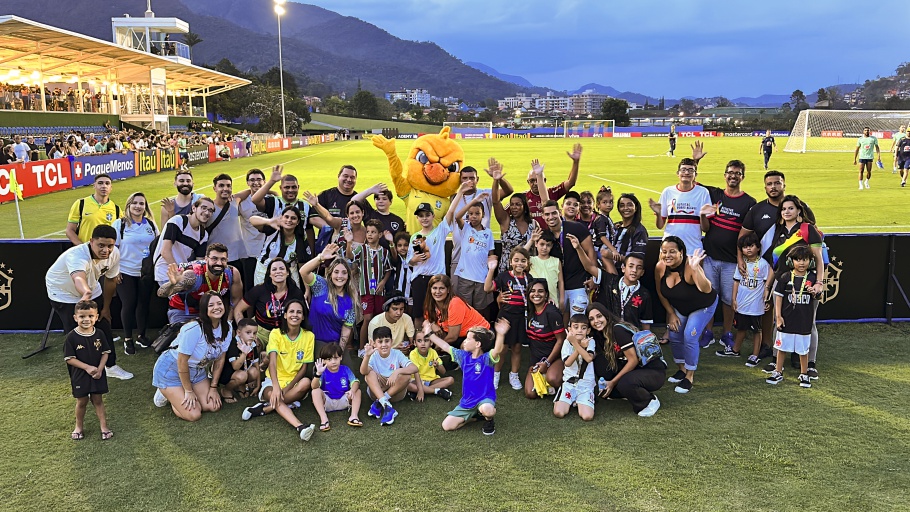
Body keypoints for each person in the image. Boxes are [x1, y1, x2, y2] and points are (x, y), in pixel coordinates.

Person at [739, 170, 815, 363]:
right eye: (769, 184)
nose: (773, 187)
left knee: (798, 310)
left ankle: (800, 354)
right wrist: (741, 258)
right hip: (769, 269)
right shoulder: (757, 210)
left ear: (784, 185)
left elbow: (813, 235)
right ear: (764, 187)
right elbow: (743, 236)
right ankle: (769, 347)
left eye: (777, 183)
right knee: (769, 310)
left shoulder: (799, 207)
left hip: (799, 271)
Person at [46, 225, 132, 381]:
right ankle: (81, 374)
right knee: (78, 335)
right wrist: (85, 292)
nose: (106, 250)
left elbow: (111, 281)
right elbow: (78, 278)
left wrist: (105, 308)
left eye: (110, 246)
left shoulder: (115, 254)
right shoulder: (77, 255)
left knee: (104, 327)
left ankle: (110, 366)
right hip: (64, 294)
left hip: (92, 289)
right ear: (91, 241)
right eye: (101, 245)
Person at [240, 299, 317, 441]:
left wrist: (286, 389)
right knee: (275, 395)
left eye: (299, 312)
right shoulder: (275, 333)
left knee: (306, 382)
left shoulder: (309, 336)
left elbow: (303, 368)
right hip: (272, 381)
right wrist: (276, 387)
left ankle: (264, 408)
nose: (295, 315)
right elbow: (273, 364)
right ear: (285, 315)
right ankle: (300, 426)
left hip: (292, 384)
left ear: (303, 316)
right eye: (291, 311)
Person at [767, 195, 826, 379]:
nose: (787, 212)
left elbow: (819, 260)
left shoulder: (808, 229)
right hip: (783, 281)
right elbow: (774, 263)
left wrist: (819, 283)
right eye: (784, 209)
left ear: (799, 210)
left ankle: (810, 363)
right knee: (779, 320)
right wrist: (768, 286)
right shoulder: (779, 230)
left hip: (807, 283)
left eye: (790, 208)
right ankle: (777, 361)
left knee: (809, 322)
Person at [700, 159, 756, 350]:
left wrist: (742, 258)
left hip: (731, 261)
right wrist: (697, 161)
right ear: (725, 175)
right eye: (730, 172)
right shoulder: (714, 194)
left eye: (737, 173)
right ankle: (707, 332)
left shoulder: (749, 202)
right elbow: (691, 181)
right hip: (710, 257)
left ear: (742, 177)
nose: (733, 176)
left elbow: (748, 234)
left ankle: (726, 333)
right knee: (709, 297)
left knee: (727, 300)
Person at [151, 292, 232, 422]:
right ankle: (167, 392)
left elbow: (220, 359)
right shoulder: (194, 328)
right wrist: (188, 391)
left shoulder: (227, 327)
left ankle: (178, 392)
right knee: (194, 414)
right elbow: (182, 361)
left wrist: (213, 387)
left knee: (213, 406)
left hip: (196, 370)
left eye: (219, 303)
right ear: (204, 310)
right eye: (211, 305)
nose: (216, 307)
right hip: (172, 369)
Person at [423, 318, 508, 435]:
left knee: (488, 410)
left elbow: (498, 349)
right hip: (467, 402)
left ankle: (489, 420)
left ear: (478, 344)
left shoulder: (487, 359)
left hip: (484, 399)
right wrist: (429, 334)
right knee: (447, 426)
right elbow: (444, 346)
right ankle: (475, 417)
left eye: (468, 339)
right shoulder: (463, 356)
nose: (464, 342)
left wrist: (501, 334)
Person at [654, 236, 718, 394]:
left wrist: (697, 270)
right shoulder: (660, 267)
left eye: (672, 251)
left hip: (703, 305)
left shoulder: (690, 265)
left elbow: (706, 289)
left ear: (681, 252)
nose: (667, 255)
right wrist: (671, 314)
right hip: (681, 308)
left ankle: (689, 376)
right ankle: (682, 369)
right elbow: (660, 292)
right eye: (664, 252)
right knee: (675, 335)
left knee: (690, 335)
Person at [586, 303, 666, 417]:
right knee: (600, 362)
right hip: (637, 369)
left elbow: (633, 360)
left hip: (653, 371)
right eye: (591, 319)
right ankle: (621, 393)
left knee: (625, 383)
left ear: (606, 316)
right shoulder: (602, 334)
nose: (596, 321)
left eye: (599, 316)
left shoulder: (617, 329)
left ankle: (649, 400)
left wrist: (613, 382)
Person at [766, 245, 821, 389]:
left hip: (804, 321)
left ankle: (804, 373)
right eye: (798, 260)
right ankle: (778, 371)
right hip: (787, 319)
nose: (801, 263)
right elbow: (778, 296)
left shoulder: (813, 278)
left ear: (810, 261)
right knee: (782, 347)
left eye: (805, 260)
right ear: (792, 261)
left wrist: (814, 291)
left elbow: (819, 296)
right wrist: (778, 316)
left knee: (803, 350)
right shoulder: (785, 277)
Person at [112, 192, 159, 353]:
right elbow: (113, 249)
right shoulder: (120, 224)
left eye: (141, 203)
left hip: (146, 273)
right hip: (125, 271)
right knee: (129, 303)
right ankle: (127, 339)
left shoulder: (151, 225)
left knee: (143, 305)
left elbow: (157, 247)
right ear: (128, 205)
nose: (138, 206)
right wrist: (115, 270)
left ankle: (141, 335)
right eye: (135, 203)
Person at [448, 163, 513, 274]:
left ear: (477, 179)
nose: (468, 181)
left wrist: (498, 179)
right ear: (460, 180)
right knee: (457, 290)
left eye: (472, 178)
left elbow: (508, 191)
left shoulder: (485, 194)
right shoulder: (454, 197)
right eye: (465, 178)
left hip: (480, 255)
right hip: (459, 255)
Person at [300, 243, 358, 367]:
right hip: (315, 341)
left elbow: (346, 330)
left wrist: (338, 352)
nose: (340, 276)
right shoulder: (321, 285)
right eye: (336, 272)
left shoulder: (351, 300)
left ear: (348, 276)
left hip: (335, 344)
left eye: (344, 273)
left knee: (349, 374)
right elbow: (303, 271)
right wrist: (321, 257)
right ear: (330, 274)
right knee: (318, 376)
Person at [717, 233, 771, 364]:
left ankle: (755, 355)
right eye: (745, 247)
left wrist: (766, 299)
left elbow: (766, 284)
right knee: (741, 328)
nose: (748, 249)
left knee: (756, 331)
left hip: (756, 306)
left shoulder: (763, 264)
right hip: (742, 304)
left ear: (758, 248)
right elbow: (736, 282)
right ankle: (735, 350)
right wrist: (734, 299)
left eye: (751, 246)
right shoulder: (741, 265)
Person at [157, 243, 243, 324]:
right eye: (214, 259)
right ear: (206, 259)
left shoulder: (232, 273)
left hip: (212, 311)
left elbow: (235, 299)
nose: (219, 263)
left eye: (223, 259)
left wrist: (228, 322)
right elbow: (161, 293)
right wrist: (173, 284)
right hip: (185, 312)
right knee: (188, 337)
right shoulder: (192, 275)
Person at [484, 248, 531, 390]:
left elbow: (536, 295)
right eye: (516, 260)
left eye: (523, 261)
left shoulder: (530, 278)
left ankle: (514, 375)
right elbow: (487, 288)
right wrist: (491, 270)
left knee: (517, 348)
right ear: (510, 262)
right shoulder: (504, 276)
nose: (519, 263)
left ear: (528, 263)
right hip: (505, 317)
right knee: (502, 348)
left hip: (521, 317)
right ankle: (496, 374)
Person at [64, 300, 112, 441]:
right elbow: (69, 358)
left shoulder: (100, 334)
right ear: (75, 318)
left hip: (98, 374)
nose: (86, 320)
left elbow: (105, 352)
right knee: (82, 401)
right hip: (80, 376)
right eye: (82, 316)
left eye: (90, 316)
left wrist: (100, 369)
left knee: (98, 400)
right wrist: (87, 367)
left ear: (96, 317)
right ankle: (78, 427)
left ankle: (104, 427)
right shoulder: (71, 337)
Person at [541, 200, 595, 320]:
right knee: (560, 325)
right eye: (547, 214)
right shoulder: (545, 236)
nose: (551, 217)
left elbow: (590, 251)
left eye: (554, 213)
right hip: (556, 289)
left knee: (578, 323)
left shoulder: (577, 228)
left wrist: (593, 277)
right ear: (543, 216)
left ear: (559, 212)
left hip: (578, 285)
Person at [406, 200, 456, 328]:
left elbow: (450, 212)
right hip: (419, 279)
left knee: (438, 313)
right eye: (421, 216)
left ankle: (437, 343)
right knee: (418, 313)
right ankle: (418, 341)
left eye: (427, 215)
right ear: (417, 218)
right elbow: (409, 261)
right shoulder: (415, 237)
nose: (424, 218)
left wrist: (460, 192)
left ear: (433, 216)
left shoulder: (440, 231)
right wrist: (415, 259)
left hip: (436, 279)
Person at [233, 258, 305, 346]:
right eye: (274, 269)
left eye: (282, 269)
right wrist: (245, 330)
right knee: (251, 348)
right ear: (270, 274)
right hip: (260, 333)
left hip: (285, 333)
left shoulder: (296, 293)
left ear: (287, 273)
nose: (278, 271)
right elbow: (238, 310)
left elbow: (303, 316)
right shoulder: (259, 290)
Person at [346, 219, 391, 353]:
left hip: (379, 291)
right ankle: (361, 349)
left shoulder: (384, 252)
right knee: (367, 318)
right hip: (365, 290)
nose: (370, 235)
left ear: (380, 235)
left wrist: (383, 282)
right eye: (368, 232)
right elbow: (350, 256)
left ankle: (377, 348)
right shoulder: (362, 249)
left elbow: (388, 269)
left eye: (373, 232)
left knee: (378, 318)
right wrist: (349, 242)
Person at [648, 158, 711, 255]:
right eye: (683, 170)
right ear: (678, 173)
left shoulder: (702, 192)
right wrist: (658, 213)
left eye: (691, 170)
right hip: (669, 248)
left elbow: (705, 229)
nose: (686, 173)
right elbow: (660, 225)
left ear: (695, 175)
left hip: (693, 248)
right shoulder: (668, 192)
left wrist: (702, 215)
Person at [360, 326, 419, 426]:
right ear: (374, 343)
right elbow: (363, 371)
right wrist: (367, 356)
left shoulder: (397, 353)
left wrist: (397, 372)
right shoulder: (373, 355)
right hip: (377, 392)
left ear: (391, 341)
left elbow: (415, 368)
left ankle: (381, 402)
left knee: (406, 375)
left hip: (395, 393)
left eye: (387, 341)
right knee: (368, 374)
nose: (384, 345)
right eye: (380, 341)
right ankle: (385, 404)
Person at [451, 185, 495, 318]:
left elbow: (491, 254)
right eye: (470, 214)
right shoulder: (466, 228)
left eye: (477, 213)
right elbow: (457, 216)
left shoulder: (488, 233)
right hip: (465, 277)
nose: (473, 216)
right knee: (465, 308)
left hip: (482, 278)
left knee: (480, 309)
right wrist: (472, 201)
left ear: (483, 215)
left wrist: (490, 274)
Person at [152, 197, 213, 286]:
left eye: (210, 210)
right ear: (194, 208)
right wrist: (178, 273)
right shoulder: (177, 221)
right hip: (166, 272)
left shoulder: (203, 235)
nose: (207, 212)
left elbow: (199, 262)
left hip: (182, 274)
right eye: (203, 208)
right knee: (177, 299)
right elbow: (165, 252)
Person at [251, 166, 314, 250]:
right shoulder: (274, 202)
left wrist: (312, 253)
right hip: (274, 252)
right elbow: (255, 199)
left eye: (294, 187)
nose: (290, 190)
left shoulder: (305, 205)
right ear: (280, 188)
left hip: (298, 252)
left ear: (298, 187)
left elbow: (309, 230)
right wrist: (272, 181)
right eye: (287, 187)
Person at [248, 205, 312, 287]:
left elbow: (302, 263)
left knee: (293, 297)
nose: (289, 220)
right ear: (281, 218)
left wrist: (307, 289)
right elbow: (252, 220)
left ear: (298, 222)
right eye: (286, 217)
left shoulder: (300, 236)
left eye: (293, 218)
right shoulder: (274, 228)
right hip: (265, 268)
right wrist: (269, 221)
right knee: (264, 297)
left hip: (289, 271)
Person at [523, 278, 566, 399]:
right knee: (530, 394)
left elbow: (561, 340)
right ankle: (545, 381)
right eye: (533, 291)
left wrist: (547, 362)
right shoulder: (529, 311)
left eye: (540, 291)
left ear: (546, 294)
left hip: (554, 358)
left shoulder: (552, 312)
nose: (536, 294)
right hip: (536, 360)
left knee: (553, 379)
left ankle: (564, 382)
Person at [424, 275, 491, 351]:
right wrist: (433, 325)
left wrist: (435, 350)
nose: (437, 292)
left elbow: (453, 337)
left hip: (481, 334)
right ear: (430, 290)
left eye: (441, 288)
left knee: (466, 346)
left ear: (448, 290)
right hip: (460, 336)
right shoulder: (431, 303)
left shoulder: (455, 303)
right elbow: (426, 321)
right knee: (426, 329)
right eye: (434, 288)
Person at [522, 145, 581, 227]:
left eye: (538, 180)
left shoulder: (552, 192)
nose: (535, 183)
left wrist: (576, 162)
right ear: (528, 182)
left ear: (544, 181)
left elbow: (571, 182)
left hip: (551, 235)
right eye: (532, 181)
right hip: (533, 237)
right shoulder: (523, 197)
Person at [491, 159, 533, 274]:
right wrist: (496, 180)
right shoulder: (506, 221)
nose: (514, 207)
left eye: (518, 204)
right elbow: (495, 201)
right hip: (507, 272)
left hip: (528, 271)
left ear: (524, 206)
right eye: (512, 204)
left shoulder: (533, 224)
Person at [553, 314, 596, 421]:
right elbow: (567, 363)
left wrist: (577, 345)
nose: (579, 330)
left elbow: (589, 358)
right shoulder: (567, 343)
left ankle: (580, 401)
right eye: (575, 327)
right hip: (569, 384)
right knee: (559, 412)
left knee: (587, 416)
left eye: (583, 328)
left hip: (585, 385)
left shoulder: (590, 341)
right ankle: (571, 400)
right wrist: (577, 345)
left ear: (588, 330)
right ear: (570, 329)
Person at [311, 343, 363, 430]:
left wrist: (352, 391)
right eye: (329, 359)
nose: (333, 362)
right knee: (315, 391)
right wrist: (318, 374)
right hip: (327, 402)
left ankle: (354, 416)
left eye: (336, 358)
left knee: (357, 391)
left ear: (341, 357)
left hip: (344, 400)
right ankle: (324, 419)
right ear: (324, 361)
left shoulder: (345, 369)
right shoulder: (323, 372)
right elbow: (314, 386)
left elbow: (355, 382)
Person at [207, 174, 247, 277]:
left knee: (238, 289)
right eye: (221, 186)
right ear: (214, 188)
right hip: (216, 259)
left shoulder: (234, 201)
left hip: (236, 257)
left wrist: (270, 191)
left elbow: (249, 191)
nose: (225, 189)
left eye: (228, 186)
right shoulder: (208, 207)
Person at [236, 169, 268, 290]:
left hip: (269, 251)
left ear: (264, 181)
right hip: (250, 253)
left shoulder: (272, 199)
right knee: (250, 287)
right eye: (252, 180)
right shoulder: (242, 202)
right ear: (247, 183)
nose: (256, 183)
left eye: (259, 179)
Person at [66, 174, 120, 245]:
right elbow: (69, 230)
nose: (104, 186)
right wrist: (82, 247)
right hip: (84, 252)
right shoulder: (81, 203)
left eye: (107, 183)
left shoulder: (116, 209)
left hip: (106, 252)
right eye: (100, 183)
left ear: (111, 187)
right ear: (94, 186)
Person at [218, 318, 261, 403]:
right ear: (238, 333)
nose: (252, 336)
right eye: (248, 332)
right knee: (242, 376)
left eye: (254, 333)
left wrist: (258, 385)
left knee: (254, 372)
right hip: (227, 374)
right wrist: (244, 353)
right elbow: (235, 366)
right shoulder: (233, 344)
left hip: (242, 371)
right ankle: (226, 389)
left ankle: (240, 386)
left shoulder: (252, 344)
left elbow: (257, 365)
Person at [406, 330, 455, 401]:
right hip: (417, 380)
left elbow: (443, 372)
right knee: (407, 384)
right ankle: (437, 391)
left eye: (426, 340)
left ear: (431, 342)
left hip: (432, 380)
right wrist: (420, 388)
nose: (423, 343)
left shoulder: (433, 352)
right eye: (419, 341)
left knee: (450, 380)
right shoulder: (413, 353)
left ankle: (421, 391)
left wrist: (438, 365)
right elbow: (415, 372)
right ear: (414, 343)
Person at [526, 228, 564, 309]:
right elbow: (519, 254)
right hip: (535, 300)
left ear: (552, 246)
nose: (544, 248)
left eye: (548, 245)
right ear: (536, 244)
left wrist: (561, 300)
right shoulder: (531, 260)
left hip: (553, 301)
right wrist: (531, 240)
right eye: (542, 244)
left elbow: (560, 282)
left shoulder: (556, 261)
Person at [609, 193, 648, 261]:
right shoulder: (615, 226)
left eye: (629, 205)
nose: (625, 208)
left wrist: (611, 256)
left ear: (635, 208)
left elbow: (637, 259)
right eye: (622, 205)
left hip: (625, 270)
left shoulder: (640, 231)